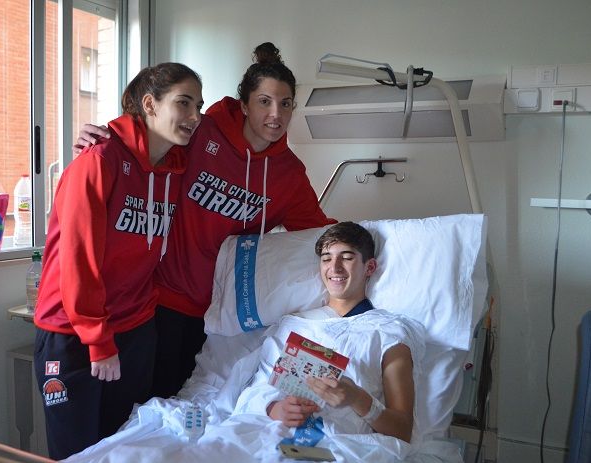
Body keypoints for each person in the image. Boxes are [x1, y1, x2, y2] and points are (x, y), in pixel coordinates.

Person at [75, 43, 336, 399]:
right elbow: (146, 141)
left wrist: (372, 242)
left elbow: (320, 232)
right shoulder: (201, 132)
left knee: (197, 403)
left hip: (223, 312)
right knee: (152, 403)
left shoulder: (288, 174)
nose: (276, 114)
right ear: (244, 105)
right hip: (162, 299)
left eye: (286, 103)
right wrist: (101, 140)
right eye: (264, 101)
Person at [32, 62, 203, 460]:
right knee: (78, 453)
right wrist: (98, 339)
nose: (195, 116)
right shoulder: (98, 161)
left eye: (199, 105)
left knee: (124, 449)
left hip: (135, 329)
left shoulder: (174, 171)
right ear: (150, 104)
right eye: (183, 103)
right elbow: (78, 259)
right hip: (74, 333)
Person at [236, 222, 416, 443]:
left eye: (347, 257)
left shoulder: (387, 332)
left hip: (343, 444)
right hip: (274, 433)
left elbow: (402, 430)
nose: (335, 268)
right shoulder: (294, 325)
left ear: (369, 267)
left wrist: (357, 398)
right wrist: (274, 408)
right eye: (326, 258)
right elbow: (257, 389)